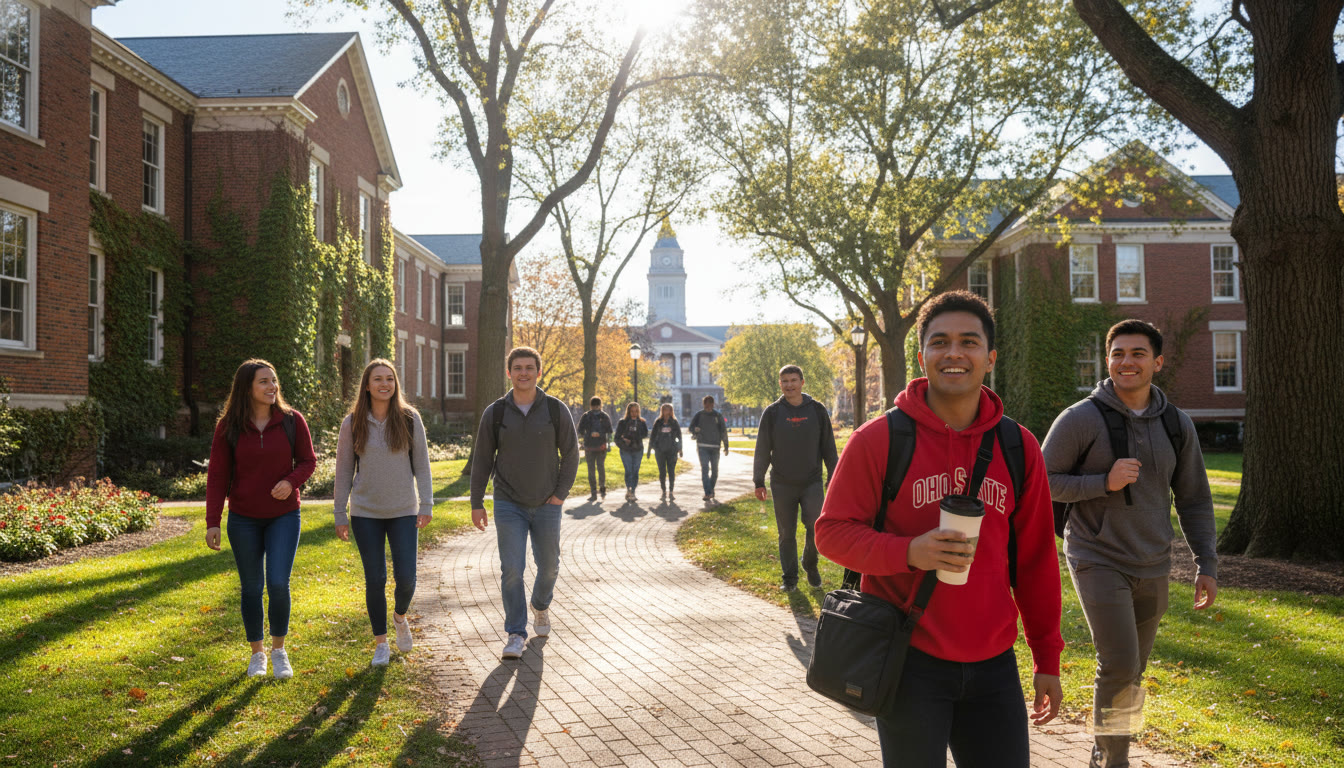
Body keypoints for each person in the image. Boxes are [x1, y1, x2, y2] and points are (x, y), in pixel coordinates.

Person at [816, 291, 1063, 767]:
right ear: (922, 354)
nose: (954, 353)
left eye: (969, 342)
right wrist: (911, 551)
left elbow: (1035, 562)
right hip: (908, 660)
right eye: (940, 341)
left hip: (994, 664)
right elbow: (831, 532)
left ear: (990, 357)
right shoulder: (880, 439)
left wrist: (1046, 658)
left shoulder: (1018, 446)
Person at [1042, 319, 1217, 768]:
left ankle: (1106, 748)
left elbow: (1195, 498)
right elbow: (1041, 481)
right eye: (1118, 353)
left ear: (1157, 362)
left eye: (1138, 353)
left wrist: (1207, 564)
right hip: (1096, 555)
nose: (1127, 362)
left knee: (1134, 669)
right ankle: (1112, 760)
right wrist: (1103, 482)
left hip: (1154, 560)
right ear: (1108, 361)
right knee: (1119, 663)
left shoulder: (1177, 424)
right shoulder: (1081, 418)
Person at [205, 359, 317, 680]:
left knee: (278, 583)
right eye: (263, 382)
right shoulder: (228, 427)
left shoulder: (292, 421)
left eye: (274, 381)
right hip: (243, 519)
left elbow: (308, 461)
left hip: (284, 516)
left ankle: (279, 650)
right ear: (247, 389)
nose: (272, 387)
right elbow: (217, 476)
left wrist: (291, 481)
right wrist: (213, 521)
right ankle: (257, 655)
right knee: (252, 588)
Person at [470, 347, 579, 660]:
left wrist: (559, 494)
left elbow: (571, 454)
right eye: (517, 368)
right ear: (509, 373)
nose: (523, 373)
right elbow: (482, 460)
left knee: (549, 567)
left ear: (538, 372)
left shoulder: (556, 410)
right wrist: (477, 501)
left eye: (529, 368)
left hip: (547, 503)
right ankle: (516, 633)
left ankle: (541, 606)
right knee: (512, 570)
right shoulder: (496, 412)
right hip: (508, 503)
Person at [332, 359, 433, 667]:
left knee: (406, 578)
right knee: (375, 579)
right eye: (378, 379)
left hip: (403, 510)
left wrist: (426, 503)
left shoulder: (409, 418)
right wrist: (340, 511)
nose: (384, 384)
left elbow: (422, 465)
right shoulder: (352, 423)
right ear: (367, 385)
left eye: (389, 378)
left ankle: (400, 617)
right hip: (366, 513)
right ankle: (380, 643)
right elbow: (344, 470)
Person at [753, 365, 838, 590]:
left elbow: (828, 446)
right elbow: (762, 448)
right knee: (786, 533)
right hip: (782, 483)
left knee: (815, 525)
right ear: (780, 384)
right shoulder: (772, 413)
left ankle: (810, 563)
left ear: (802, 382)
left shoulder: (817, 410)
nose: (789, 385)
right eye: (784, 381)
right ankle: (789, 579)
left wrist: (833, 475)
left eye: (793, 380)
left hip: (811, 481)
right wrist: (758, 480)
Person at [688, 395, 730, 504]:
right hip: (702, 446)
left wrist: (726, 446)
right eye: (706, 405)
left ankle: (710, 489)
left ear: (713, 404)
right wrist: (694, 430)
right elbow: (690, 427)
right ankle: (707, 492)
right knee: (705, 469)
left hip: (715, 447)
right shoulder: (699, 415)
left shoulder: (717, 415)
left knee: (715, 471)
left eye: (709, 405)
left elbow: (723, 431)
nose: (707, 407)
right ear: (703, 404)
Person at [577, 397, 613, 502]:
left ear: (600, 405)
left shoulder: (604, 416)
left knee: (600, 467)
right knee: (591, 470)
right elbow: (580, 430)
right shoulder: (586, 416)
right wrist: (585, 437)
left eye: (597, 405)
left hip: (601, 445)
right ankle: (593, 491)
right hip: (589, 446)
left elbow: (609, 431)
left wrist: (608, 443)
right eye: (594, 405)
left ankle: (602, 486)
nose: (596, 407)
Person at [646, 403, 684, 502]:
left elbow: (679, 436)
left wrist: (680, 449)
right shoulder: (658, 422)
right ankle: (663, 491)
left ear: (671, 411)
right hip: (660, 451)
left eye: (668, 410)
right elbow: (653, 436)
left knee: (671, 471)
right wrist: (650, 450)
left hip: (672, 451)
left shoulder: (674, 422)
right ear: (662, 411)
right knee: (662, 471)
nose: (667, 412)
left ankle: (671, 491)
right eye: (665, 410)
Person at [614, 402, 648, 501]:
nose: (634, 413)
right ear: (628, 411)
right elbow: (617, 438)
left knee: (635, 471)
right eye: (632, 411)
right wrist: (624, 441)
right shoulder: (623, 422)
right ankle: (628, 489)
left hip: (638, 449)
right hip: (626, 450)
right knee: (629, 470)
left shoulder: (642, 422)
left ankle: (633, 491)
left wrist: (633, 437)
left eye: (636, 411)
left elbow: (645, 434)